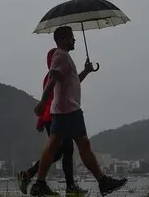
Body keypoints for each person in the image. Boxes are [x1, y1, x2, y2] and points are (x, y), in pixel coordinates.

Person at [29, 26, 127, 196]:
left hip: (63, 110)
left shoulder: (64, 57)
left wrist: (86, 71)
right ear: (61, 39)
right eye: (71, 37)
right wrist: (43, 102)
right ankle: (103, 182)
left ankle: (39, 183)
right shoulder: (60, 56)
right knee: (83, 145)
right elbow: (52, 80)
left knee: (53, 147)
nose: (74, 40)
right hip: (70, 110)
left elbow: (71, 82)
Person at [18, 48, 86, 196]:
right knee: (65, 150)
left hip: (53, 117)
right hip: (55, 116)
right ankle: (69, 187)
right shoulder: (53, 75)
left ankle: (29, 175)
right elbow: (51, 93)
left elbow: (72, 83)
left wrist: (86, 72)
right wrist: (42, 106)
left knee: (59, 152)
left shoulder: (56, 74)